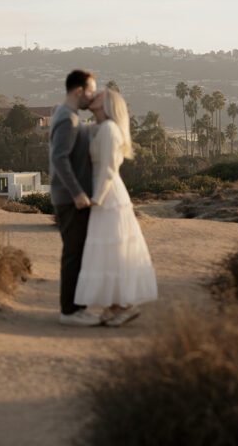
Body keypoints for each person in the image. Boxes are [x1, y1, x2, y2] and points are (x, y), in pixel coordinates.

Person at [74, 88, 158, 326]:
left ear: (110, 104)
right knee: (107, 251)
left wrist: (97, 198)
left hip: (108, 197)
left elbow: (109, 168)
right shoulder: (101, 128)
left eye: (100, 94)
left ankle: (125, 305)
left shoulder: (110, 129)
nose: (95, 95)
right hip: (104, 194)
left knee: (113, 250)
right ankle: (115, 305)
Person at [49, 69, 102, 326]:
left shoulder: (68, 116)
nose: (92, 97)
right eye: (91, 91)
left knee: (78, 253)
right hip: (70, 199)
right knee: (73, 254)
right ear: (79, 90)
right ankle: (69, 312)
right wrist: (78, 193)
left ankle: (77, 308)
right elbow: (59, 158)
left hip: (70, 197)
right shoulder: (67, 119)